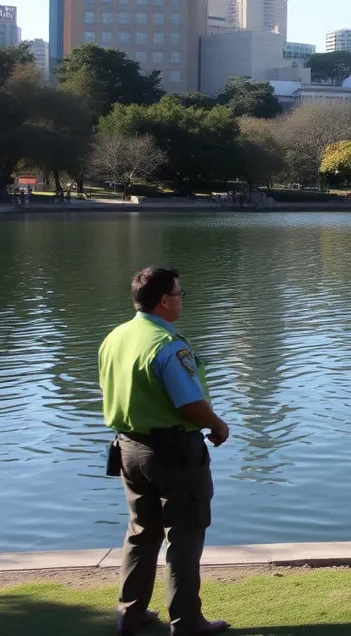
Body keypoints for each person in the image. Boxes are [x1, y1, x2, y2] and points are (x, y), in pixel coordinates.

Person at [99, 268, 230, 636]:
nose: (181, 299)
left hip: (128, 447)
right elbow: (189, 402)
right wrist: (217, 425)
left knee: (141, 531)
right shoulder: (167, 345)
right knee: (185, 533)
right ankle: (186, 621)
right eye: (179, 293)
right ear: (163, 301)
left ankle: (130, 612)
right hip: (174, 452)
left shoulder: (115, 337)